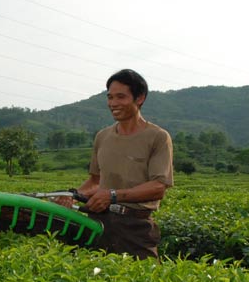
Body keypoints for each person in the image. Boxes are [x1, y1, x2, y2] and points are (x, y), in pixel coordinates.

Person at [57, 69, 173, 259]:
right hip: (97, 223)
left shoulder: (158, 137)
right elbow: (95, 181)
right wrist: (73, 195)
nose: (113, 103)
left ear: (140, 98)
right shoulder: (103, 136)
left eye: (121, 97)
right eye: (110, 97)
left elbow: (158, 187)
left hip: (135, 227)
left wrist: (112, 195)